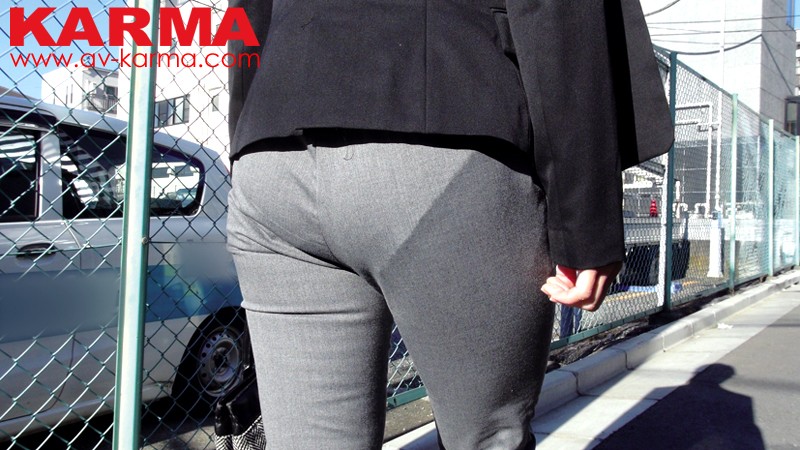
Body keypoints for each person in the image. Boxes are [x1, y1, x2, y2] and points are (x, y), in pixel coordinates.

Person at [225, 1, 672, 449]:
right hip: (448, 119)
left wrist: (247, 140)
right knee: (487, 439)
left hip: (271, 150)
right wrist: (585, 219)